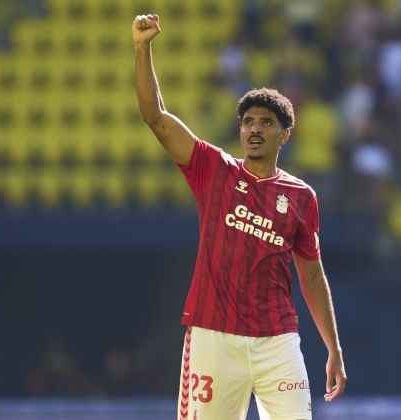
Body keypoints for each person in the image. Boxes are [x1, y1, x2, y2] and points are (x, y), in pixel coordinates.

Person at [133, 14, 347, 420]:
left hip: (278, 341)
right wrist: (142, 50)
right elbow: (156, 118)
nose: (254, 129)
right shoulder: (214, 170)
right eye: (248, 121)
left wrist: (333, 348)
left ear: (284, 134)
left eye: (266, 122)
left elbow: (312, 276)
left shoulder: (301, 197)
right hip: (214, 337)